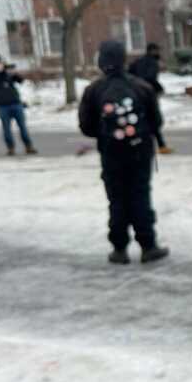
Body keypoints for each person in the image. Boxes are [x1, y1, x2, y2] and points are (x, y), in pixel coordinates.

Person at [78, 40, 169, 265]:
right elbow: (156, 121)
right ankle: (148, 246)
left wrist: (106, 134)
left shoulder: (93, 90)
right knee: (140, 195)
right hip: (140, 152)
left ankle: (119, 249)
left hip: (111, 154)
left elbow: (86, 127)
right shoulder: (142, 87)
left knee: (117, 199)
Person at [0, 53, 37, 156]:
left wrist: (14, 73)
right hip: (2, 106)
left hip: (16, 103)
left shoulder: (7, 73)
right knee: (6, 129)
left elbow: (20, 80)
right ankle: (10, 148)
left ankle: (28, 146)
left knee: (23, 127)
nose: (1, 65)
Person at [128, 42, 171, 153]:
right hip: (148, 94)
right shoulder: (152, 62)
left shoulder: (138, 61)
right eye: (157, 50)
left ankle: (138, 144)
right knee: (153, 119)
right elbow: (150, 78)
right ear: (152, 51)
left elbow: (129, 73)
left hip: (136, 93)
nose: (159, 53)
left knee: (139, 118)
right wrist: (159, 88)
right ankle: (161, 146)